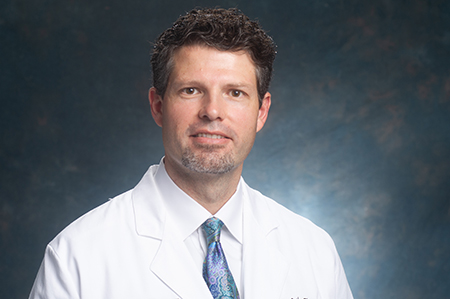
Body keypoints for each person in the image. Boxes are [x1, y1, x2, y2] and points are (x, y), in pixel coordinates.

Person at [29, 8, 353, 299]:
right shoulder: (77, 256)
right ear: (158, 106)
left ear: (261, 112)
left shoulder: (314, 250)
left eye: (235, 93)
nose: (212, 111)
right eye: (191, 90)